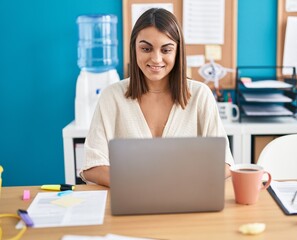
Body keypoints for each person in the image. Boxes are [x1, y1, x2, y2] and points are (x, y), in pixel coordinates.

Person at [80, 8, 234, 187]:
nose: (156, 59)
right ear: (134, 49)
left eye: (166, 50)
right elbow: (92, 166)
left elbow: (225, 164)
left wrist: (183, 181)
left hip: (186, 202)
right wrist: (139, 184)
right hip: (130, 203)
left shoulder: (200, 95)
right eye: (146, 48)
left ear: (177, 52)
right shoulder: (112, 96)